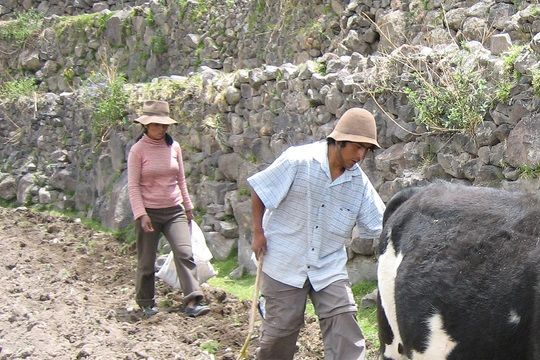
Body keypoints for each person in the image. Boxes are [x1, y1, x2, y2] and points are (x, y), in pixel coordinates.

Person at [248, 108, 385, 360]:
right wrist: (258, 232)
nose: (361, 155)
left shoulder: (359, 183)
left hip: (328, 266)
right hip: (284, 262)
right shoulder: (298, 161)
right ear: (339, 140)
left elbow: (381, 223)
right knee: (280, 333)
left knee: (345, 327)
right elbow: (260, 190)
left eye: (367, 150)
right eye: (357, 147)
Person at [127, 99, 210, 318]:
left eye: (165, 125)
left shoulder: (174, 147)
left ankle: (193, 300)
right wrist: (141, 214)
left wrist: (188, 206)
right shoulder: (138, 151)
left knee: (185, 253)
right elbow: (133, 186)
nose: (161, 129)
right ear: (145, 125)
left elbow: (180, 179)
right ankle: (146, 302)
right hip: (149, 212)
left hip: (174, 210)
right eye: (156, 124)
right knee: (146, 261)